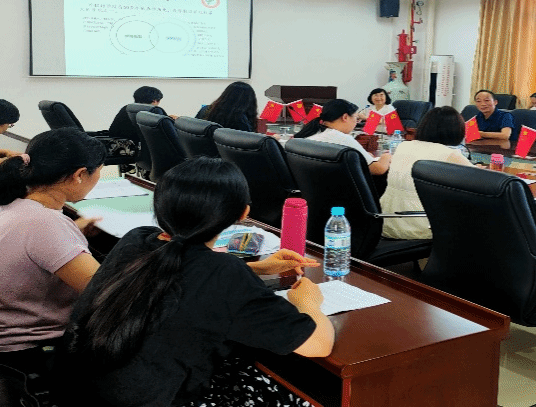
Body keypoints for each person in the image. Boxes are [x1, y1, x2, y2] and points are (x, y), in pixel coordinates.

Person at [56, 158, 332, 407]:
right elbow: (319, 345)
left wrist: (258, 268)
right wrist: (309, 303)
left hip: (77, 392)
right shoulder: (224, 274)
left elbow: (182, 274)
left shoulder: (138, 239)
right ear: (243, 213)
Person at [0, 128, 106, 379]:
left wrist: (71, 232)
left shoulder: (2, 204)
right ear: (79, 175)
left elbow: (29, 244)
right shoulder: (44, 222)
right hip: (25, 354)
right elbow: (105, 292)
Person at [381, 107, 475, 240]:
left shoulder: (403, 145)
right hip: (419, 226)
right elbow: (481, 180)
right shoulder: (449, 154)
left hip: (386, 222)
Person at [294, 99, 391, 175]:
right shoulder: (342, 138)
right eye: (356, 118)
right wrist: (386, 156)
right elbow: (378, 169)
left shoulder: (313, 132)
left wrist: (363, 156)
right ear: (345, 117)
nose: (356, 123)